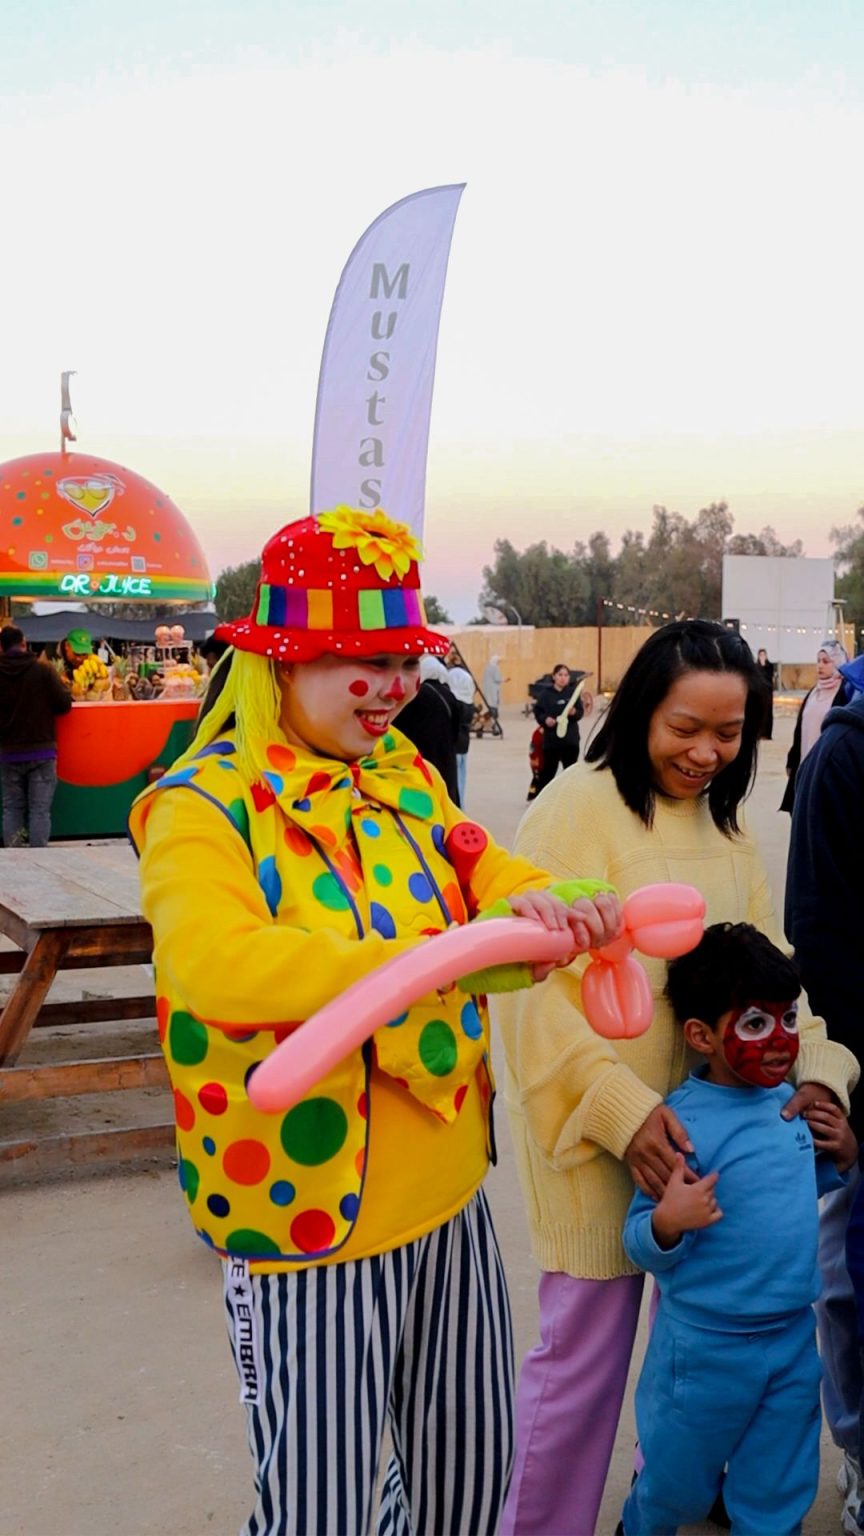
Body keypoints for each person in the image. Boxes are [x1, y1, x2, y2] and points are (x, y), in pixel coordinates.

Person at [129, 506, 621, 1536]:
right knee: (322, 1506)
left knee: (468, 1478)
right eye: (366, 661)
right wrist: (434, 958)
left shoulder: (403, 776)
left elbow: (490, 867)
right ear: (282, 661)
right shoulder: (202, 805)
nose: (396, 687)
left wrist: (554, 904)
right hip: (305, 1215)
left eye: (406, 661)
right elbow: (211, 963)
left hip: (450, 1194)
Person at [496, 618, 858, 1536]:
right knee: (580, 1369)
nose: (705, 753)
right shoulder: (572, 811)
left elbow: (774, 974)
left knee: (692, 1355)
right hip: (598, 1146)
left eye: (728, 734)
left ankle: (671, 1498)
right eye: (684, 728)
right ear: (640, 712)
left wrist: (819, 1075)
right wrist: (623, 1115)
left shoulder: (724, 833)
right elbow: (532, 998)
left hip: (719, 1147)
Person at [618, 922, 857, 1536]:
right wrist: (669, 1222)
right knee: (675, 1483)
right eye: (755, 1023)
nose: (780, 1041)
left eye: (788, 1019)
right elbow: (639, 1237)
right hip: (702, 1350)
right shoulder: (682, 1125)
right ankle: (642, 1523)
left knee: (777, 1486)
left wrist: (844, 1155)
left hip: (791, 1340)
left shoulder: (789, 1105)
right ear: (701, 1035)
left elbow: (796, 1188)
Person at [786, 680, 864, 1535]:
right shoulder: (847, 752)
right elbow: (817, 930)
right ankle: (861, 1448)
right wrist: (845, 1073)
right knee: (851, 1278)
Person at [0, 625, 72, 847]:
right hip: (42, 752)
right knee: (39, 810)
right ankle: (39, 858)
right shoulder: (43, 670)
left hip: (8, 753)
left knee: (12, 808)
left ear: (1, 647)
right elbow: (64, 704)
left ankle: (14, 856)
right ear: (24, 643)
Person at [781, 639, 849, 812]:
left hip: (827, 769)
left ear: (838, 662)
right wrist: (792, 760)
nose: (820, 666)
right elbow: (800, 729)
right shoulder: (813, 692)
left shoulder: (844, 694)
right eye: (818, 661)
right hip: (804, 764)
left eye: (826, 661)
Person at [531, 663, 585, 794]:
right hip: (552, 741)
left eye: (566, 675)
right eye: (560, 675)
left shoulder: (573, 693)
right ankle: (543, 798)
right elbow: (538, 712)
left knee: (570, 773)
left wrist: (574, 712)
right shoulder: (545, 695)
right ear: (554, 676)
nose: (563, 678)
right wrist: (545, 720)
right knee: (548, 773)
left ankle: (569, 798)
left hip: (570, 741)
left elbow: (580, 712)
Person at [445, 646, 476, 807]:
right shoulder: (468, 704)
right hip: (464, 743)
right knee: (462, 775)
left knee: (455, 777)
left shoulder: (452, 704)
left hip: (454, 744)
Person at [756, 646, 775, 740]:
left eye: (764, 655)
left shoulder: (770, 666)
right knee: (759, 712)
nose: (762, 656)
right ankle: (759, 733)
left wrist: (764, 667)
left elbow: (769, 677)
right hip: (759, 692)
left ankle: (767, 733)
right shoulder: (756, 666)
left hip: (768, 692)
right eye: (761, 655)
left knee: (768, 712)